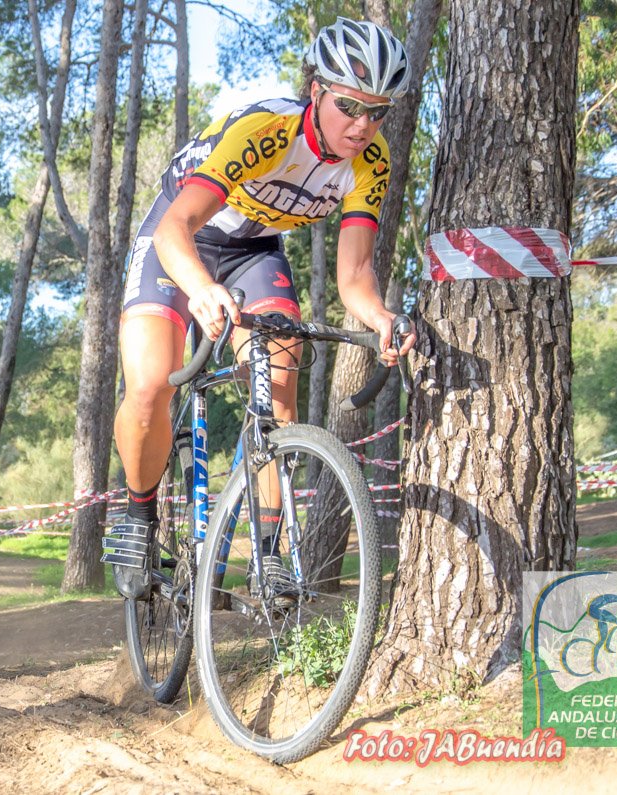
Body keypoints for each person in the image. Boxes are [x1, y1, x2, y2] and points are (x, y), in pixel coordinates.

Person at [103, 17, 416, 599]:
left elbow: (354, 275)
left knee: (278, 386)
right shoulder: (267, 130)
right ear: (316, 90)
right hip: (181, 236)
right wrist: (199, 288)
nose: (364, 125)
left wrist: (380, 318)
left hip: (253, 249)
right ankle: (138, 516)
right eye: (351, 105)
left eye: (380, 112)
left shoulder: (370, 163)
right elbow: (177, 227)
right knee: (149, 386)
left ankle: (269, 553)